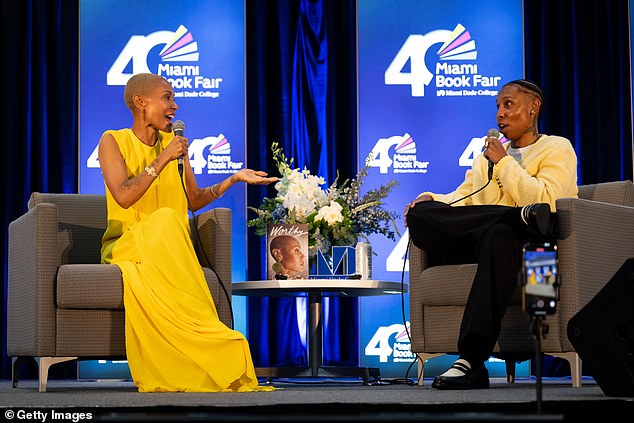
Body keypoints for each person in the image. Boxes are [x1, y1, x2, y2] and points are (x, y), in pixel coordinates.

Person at [98, 72, 279, 392]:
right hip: (129, 244)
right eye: (166, 97)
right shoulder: (113, 140)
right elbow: (124, 197)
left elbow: (194, 200)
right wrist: (163, 160)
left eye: (174, 98)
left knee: (172, 220)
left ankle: (208, 341)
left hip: (169, 245)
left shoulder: (174, 144)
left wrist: (232, 180)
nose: (175, 105)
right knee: (167, 218)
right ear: (141, 102)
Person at [404, 79, 578, 390]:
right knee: (423, 215)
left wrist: (504, 163)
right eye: (497, 106)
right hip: (482, 239)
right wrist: (432, 200)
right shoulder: (485, 158)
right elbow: (464, 199)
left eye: (508, 105)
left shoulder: (556, 147)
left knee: (502, 232)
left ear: (533, 107)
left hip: (533, 248)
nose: (500, 114)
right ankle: (514, 217)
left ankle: (471, 360)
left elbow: (548, 202)